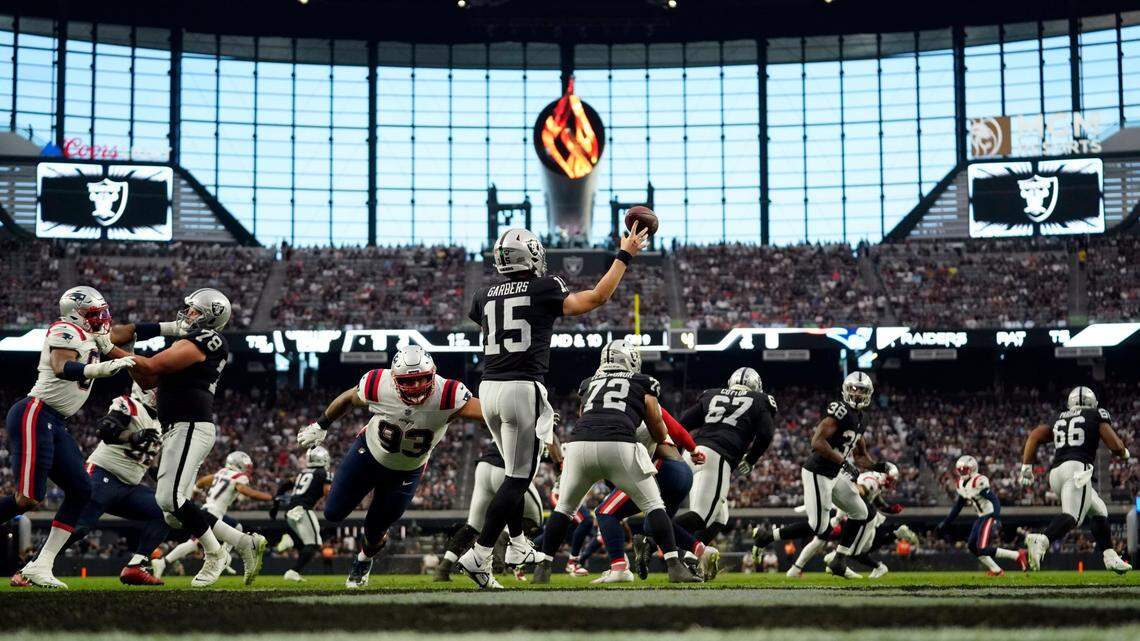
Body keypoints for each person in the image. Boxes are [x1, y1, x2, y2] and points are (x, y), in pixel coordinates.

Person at [456, 224, 649, 589]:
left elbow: (487, 318)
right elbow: (596, 298)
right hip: (520, 386)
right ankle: (480, 555)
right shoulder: (544, 286)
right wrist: (625, 255)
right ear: (530, 255)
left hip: (489, 387)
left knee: (514, 471)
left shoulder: (483, 293)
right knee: (518, 477)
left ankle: (515, 545)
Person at [297, 345, 483, 588]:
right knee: (333, 513)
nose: (416, 386)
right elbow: (348, 398)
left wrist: (527, 418)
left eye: (421, 379)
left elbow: (490, 412)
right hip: (367, 454)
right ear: (394, 379)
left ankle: (363, 560)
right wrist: (321, 424)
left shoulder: (449, 394)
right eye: (409, 381)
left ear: (433, 374)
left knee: (375, 531)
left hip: (407, 470)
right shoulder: (378, 384)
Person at [129, 288, 268, 587]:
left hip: (190, 424)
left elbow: (151, 366)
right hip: (177, 426)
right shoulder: (188, 341)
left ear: (210, 315)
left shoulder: (208, 339)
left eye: (193, 310)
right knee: (173, 515)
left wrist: (110, 351)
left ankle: (216, 553)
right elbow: (147, 375)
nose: (187, 314)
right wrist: (124, 349)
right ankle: (244, 543)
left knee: (169, 498)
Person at [531, 340, 701, 585]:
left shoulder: (589, 384)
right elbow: (656, 424)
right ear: (631, 360)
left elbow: (583, 414)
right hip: (619, 444)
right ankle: (675, 565)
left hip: (579, 446)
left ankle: (543, 569)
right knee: (654, 505)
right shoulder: (644, 382)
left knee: (564, 509)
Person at [5, 286, 142, 588]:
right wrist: (101, 369)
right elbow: (61, 366)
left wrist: (172, 328)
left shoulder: (91, 333)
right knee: (27, 499)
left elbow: (124, 332)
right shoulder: (64, 328)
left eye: (102, 312)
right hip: (35, 412)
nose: (102, 319)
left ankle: (41, 565)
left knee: (81, 490)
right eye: (94, 315)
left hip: (56, 421)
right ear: (75, 314)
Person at [751, 371, 891, 578]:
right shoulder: (840, 410)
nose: (858, 394)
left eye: (862, 390)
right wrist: (844, 462)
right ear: (845, 389)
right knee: (820, 529)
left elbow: (861, 456)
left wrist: (880, 467)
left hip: (835, 474)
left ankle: (839, 561)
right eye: (854, 389)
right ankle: (765, 537)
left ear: (869, 393)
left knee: (861, 512)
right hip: (818, 472)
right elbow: (817, 442)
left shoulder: (863, 418)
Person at [1019, 387, 1132, 574]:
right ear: (1092, 403)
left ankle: (1110, 556)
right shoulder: (1096, 414)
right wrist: (1125, 453)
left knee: (1099, 510)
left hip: (1056, 473)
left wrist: (1026, 467)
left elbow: (1034, 436)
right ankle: (1042, 540)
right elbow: (1115, 445)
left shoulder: (1059, 417)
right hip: (1077, 470)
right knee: (1073, 517)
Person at [674, 367, 776, 548]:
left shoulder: (712, 394)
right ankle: (651, 538)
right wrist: (751, 459)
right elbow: (766, 435)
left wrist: (680, 451)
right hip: (716, 457)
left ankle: (691, 559)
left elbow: (683, 422)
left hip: (693, 453)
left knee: (720, 517)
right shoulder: (760, 400)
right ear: (757, 386)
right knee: (701, 516)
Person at [153, 451, 273, 580]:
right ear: (238, 465)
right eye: (247, 467)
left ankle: (225, 557)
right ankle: (163, 562)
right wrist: (271, 497)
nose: (248, 470)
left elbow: (201, 482)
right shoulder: (239, 477)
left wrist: (195, 494)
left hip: (211, 510)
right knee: (195, 543)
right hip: (213, 513)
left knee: (237, 526)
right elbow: (246, 491)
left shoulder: (221, 473)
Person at [934, 455, 1026, 576]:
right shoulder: (961, 484)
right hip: (981, 516)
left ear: (972, 469)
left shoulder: (978, 481)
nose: (962, 472)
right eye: (960, 470)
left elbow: (995, 500)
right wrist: (946, 522)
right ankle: (996, 570)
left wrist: (996, 518)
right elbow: (958, 506)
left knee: (982, 548)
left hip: (990, 515)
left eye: (965, 469)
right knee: (972, 546)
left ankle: (1017, 555)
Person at [272, 445, 332, 581]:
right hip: (302, 510)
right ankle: (293, 572)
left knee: (307, 542)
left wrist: (276, 502)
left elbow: (285, 484)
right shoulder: (323, 473)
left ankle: (291, 541)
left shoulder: (302, 473)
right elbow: (328, 491)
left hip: (290, 510)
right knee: (315, 543)